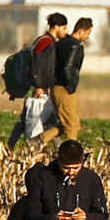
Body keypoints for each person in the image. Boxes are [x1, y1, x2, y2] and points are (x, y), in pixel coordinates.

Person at [5, 18, 62, 149]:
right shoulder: (47, 42)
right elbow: (38, 65)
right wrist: (39, 86)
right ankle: (14, 146)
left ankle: (10, 146)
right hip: (39, 87)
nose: (65, 31)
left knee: (27, 118)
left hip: (35, 85)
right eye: (63, 27)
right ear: (56, 27)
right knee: (48, 121)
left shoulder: (41, 40)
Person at [47, 17, 90, 148]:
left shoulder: (60, 43)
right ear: (81, 31)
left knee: (65, 122)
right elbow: (68, 68)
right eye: (88, 33)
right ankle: (72, 153)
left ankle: (39, 140)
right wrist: (70, 86)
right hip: (64, 89)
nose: (88, 37)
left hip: (55, 87)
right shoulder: (75, 46)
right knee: (72, 126)